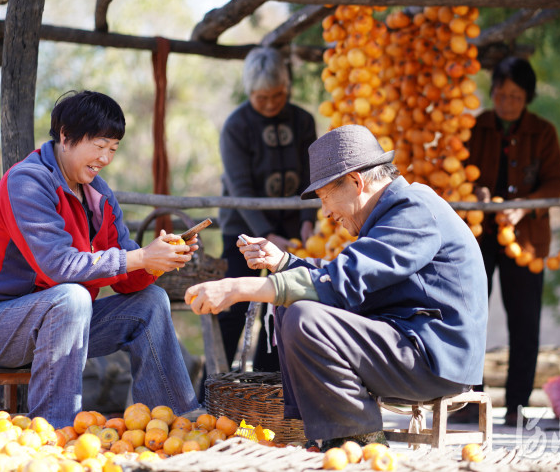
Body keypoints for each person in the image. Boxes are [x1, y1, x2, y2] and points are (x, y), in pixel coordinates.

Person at [188, 124, 488, 448]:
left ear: (357, 182)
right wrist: (283, 263)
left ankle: (360, 444)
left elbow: (344, 281)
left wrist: (237, 289)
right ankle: (333, 438)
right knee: (296, 312)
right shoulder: (391, 213)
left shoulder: (413, 210)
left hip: (434, 355)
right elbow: (341, 281)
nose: (327, 212)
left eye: (326, 197)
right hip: (409, 345)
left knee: (306, 319)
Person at [0, 90, 200, 428]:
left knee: (150, 301)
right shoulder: (27, 182)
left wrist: (155, 262)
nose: (106, 159)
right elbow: (58, 266)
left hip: (59, 320)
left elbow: (127, 278)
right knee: (72, 297)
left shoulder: (100, 196)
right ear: (65, 137)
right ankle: (56, 431)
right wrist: (138, 256)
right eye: (98, 146)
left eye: (113, 148)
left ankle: (175, 422)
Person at [465, 56, 560, 426]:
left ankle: (517, 406)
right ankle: (468, 399)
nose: (508, 102)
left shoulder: (544, 132)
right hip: (479, 235)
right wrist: (474, 192)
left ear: (528, 97)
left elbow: (555, 183)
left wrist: (523, 208)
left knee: (525, 320)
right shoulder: (475, 128)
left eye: (516, 96)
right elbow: (459, 170)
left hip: (526, 239)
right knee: (471, 314)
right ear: (492, 93)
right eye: (502, 94)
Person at [217, 47, 318, 372]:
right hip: (244, 227)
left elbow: (310, 175)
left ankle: (268, 386)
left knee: (282, 304)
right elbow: (240, 189)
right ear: (250, 92)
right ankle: (213, 384)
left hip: (290, 230)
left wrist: (307, 220)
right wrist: (266, 235)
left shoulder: (303, 120)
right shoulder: (236, 126)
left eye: (278, 95)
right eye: (263, 97)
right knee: (236, 303)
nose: (272, 103)